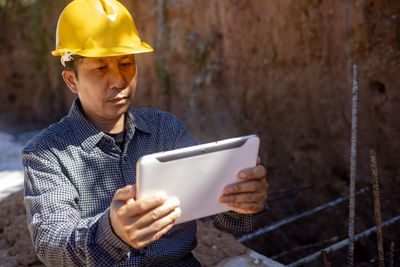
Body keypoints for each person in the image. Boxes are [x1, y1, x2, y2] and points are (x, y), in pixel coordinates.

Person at [22, 0, 269, 266]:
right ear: (72, 80)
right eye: (101, 68)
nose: (119, 80)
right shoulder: (46, 154)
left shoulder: (166, 130)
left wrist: (241, 202)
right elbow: (52, 242)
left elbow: (220, 213)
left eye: (126, 64)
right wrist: (112, 231)